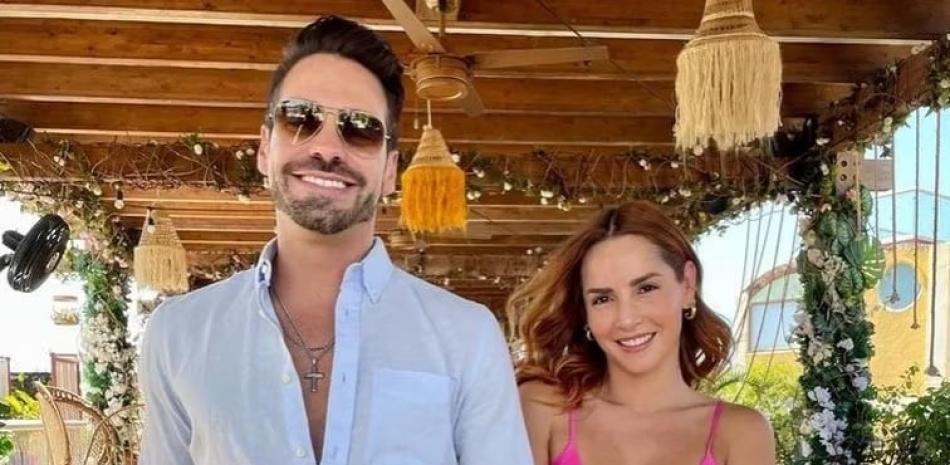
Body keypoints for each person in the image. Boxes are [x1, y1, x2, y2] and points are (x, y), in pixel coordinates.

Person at [139, 15, 532, 465]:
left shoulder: (466, 336)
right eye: (299, 118)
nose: (327, 148)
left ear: (389, 170)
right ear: (265, 148)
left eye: (361, 128)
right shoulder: (180, 333)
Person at [508, 201, 775, 465]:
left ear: (687, 285)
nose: (626, 319)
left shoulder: (741, 433)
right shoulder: (543, 409)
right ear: (585, 312)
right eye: (602, 299)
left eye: (645, 288)